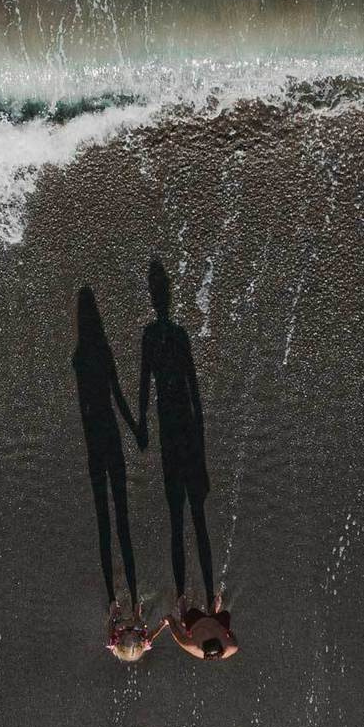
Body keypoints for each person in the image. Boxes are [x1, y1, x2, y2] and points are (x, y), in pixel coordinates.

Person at [138, 256, 217, 609]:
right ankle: (201, 595)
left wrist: (141, 424)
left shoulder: (154, 335)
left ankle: (189, 596)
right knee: (191, 516)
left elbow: (148, 386)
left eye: (160, 291)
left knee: (181, 516)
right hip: (180, 426)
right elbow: (192, 391)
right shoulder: (170, 335)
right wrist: (201, 450)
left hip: (172, 427)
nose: (161, 297)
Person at [72, 285, 145, 623]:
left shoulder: (78, 356)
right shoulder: (103, 351)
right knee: (122, 521)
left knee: (105, 521)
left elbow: (84, 405)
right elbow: (117, 397)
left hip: (93, 442)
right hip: (111, 437)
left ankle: (114, 602)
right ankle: (133, 596)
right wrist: (136, 429)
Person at [165, 594, 239, 661]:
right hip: (217, 621)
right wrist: (224, 630)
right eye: (213, 634)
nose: (208, 631)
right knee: (225, 615)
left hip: (197, 621)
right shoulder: (231, 647)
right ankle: (213, 613)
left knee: (185, 620)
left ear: (200, 646)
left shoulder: (191, 646)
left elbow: (177, 635)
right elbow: (231, 634)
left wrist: (170, 620)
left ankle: (183, 613)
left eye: (204, 634)